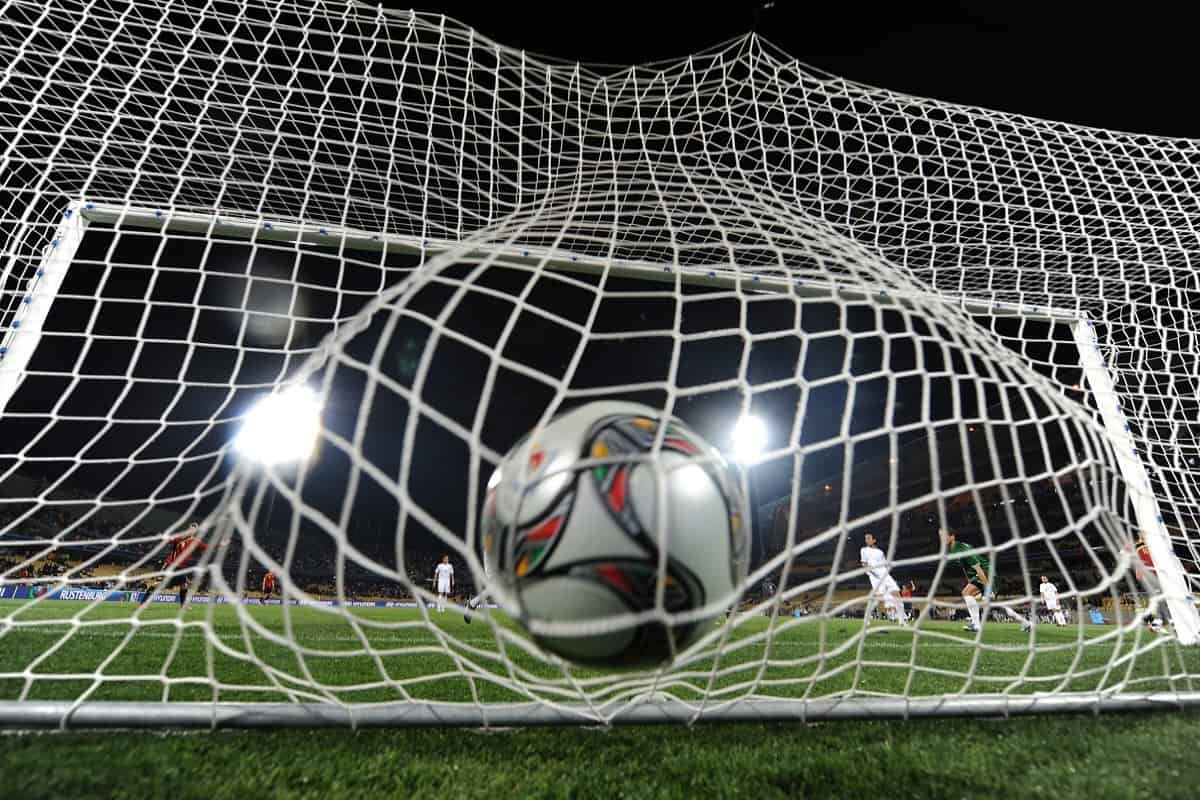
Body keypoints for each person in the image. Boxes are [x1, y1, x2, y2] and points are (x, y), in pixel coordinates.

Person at [939, 527, 1030, 633]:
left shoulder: (963, 549)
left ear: (952, 536)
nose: (942, 538)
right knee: (991, 603)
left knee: (966, 593)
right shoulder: (953, 550)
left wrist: (988, 588)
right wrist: (970, 581)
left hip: (986, 573)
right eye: (940, 536)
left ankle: (976, 624)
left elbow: (978, 568)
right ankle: (1026, 623)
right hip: (979, 575)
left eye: (944, 535)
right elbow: (964, 567)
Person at [141, 522, 221, 611]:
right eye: (191, 528)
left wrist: (219, 545)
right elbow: (170, 539)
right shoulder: (180, 537)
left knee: (184, 585)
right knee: (159, 585)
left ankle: (183, 606)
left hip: (181, 567)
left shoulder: (195, 541)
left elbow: (207, 547)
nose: (192, 531)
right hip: (171, 565)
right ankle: (143, 603)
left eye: (194, 529)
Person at [860, 533, 908, 624]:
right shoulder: (864, 550)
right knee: (878, 597)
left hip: (885, 574)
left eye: (869, 538)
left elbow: (885, 564)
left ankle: (902, 618)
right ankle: (867, 616)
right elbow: (864, 564)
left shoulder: (880, 552)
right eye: (866, 538)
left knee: (896, 593)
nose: (867, 540)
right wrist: (872, 573)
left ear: (874, 540)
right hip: (874, 576)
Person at [1134, 533, 1171, 634]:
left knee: (1161, 598)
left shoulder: (1151, 544)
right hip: (1148, 575)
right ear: (1139, 534)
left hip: (1155, 575)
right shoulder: (1140, 546)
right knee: (1159, 598)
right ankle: (1156, 623)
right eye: (1142, 533)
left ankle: (1158, 621)